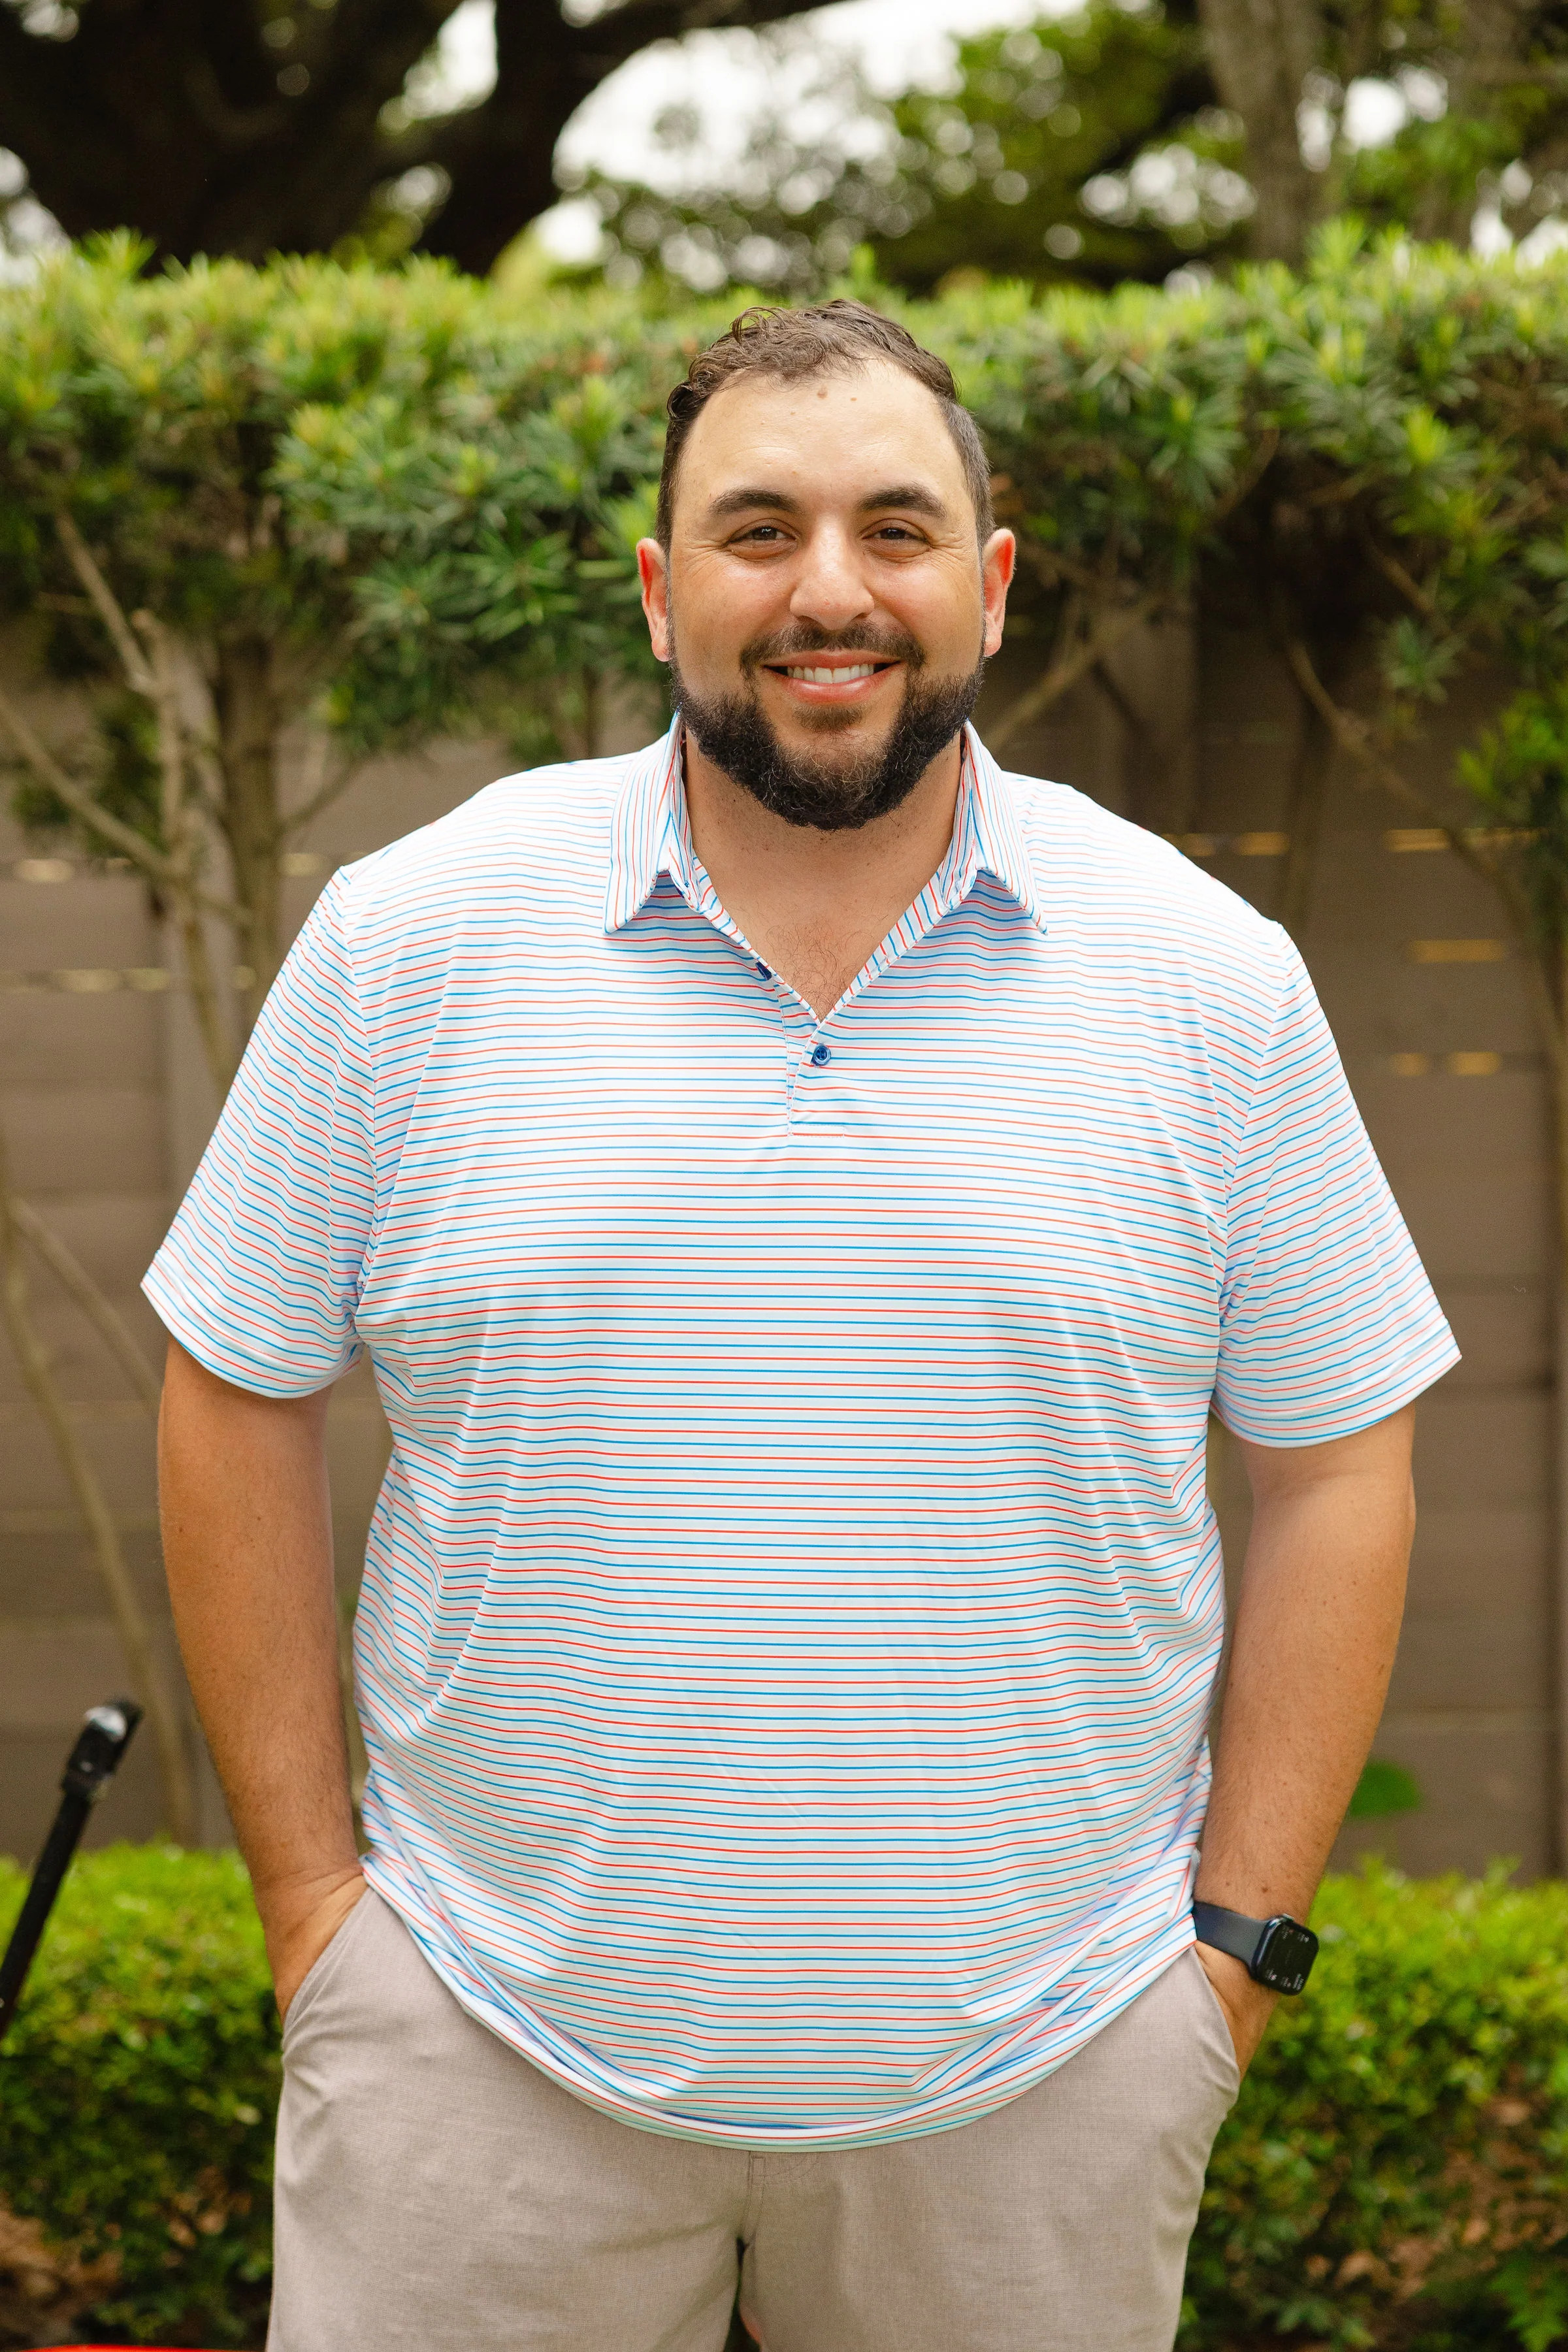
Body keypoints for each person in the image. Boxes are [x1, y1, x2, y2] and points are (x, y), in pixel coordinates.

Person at [148, 299, 1457, 2352]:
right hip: (477, 2067)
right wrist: (321, 1921)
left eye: (895, 528)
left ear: (991, 588)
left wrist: (1231, 1959)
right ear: (664, 591)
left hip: (1045, 2092)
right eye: (757, 531)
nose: (827, 592)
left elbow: (1338, 1455)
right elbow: (234, 1381)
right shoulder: (412, 942)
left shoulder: (1209, 978)